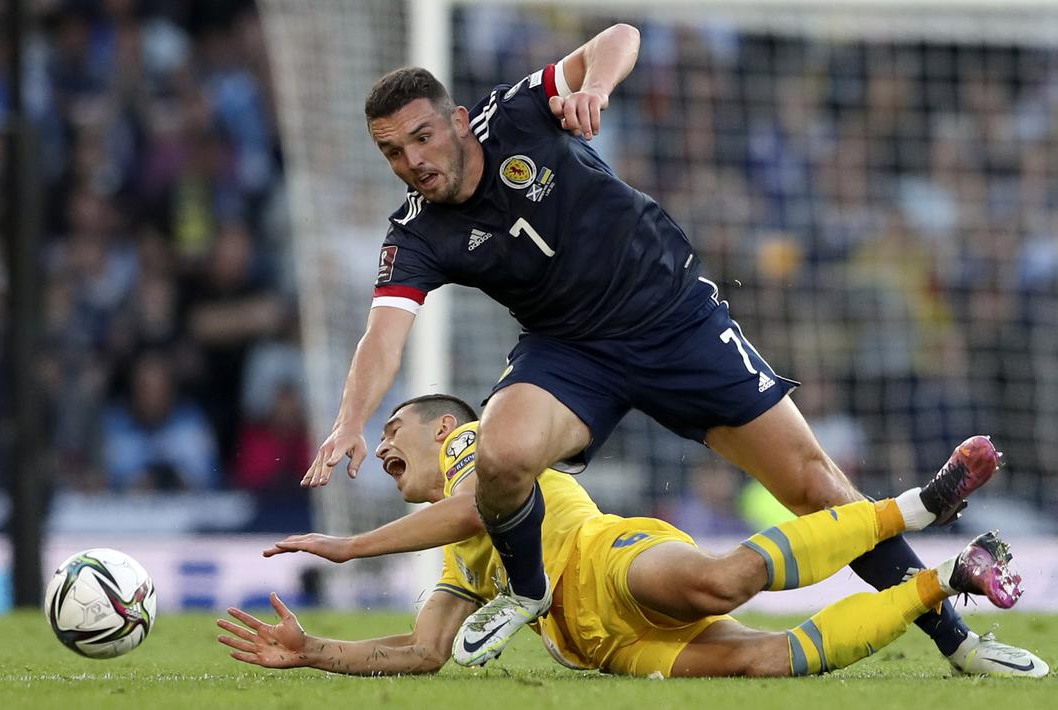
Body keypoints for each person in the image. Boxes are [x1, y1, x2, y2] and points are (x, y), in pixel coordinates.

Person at [299, 23, 1046, 674]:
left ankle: (955, 640)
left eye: (421, 137)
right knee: (499, 456)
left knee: (816, 487)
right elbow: (383, 335)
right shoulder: (416, 232)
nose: (411, 161)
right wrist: (347, 422)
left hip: (674, 319)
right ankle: (527, 591)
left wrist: (596, 85)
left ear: (457, 121)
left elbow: (618, 36)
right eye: (391, 152)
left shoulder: (514, 115)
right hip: (570, 351)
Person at [223, 395, 1031, 678]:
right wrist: (313, 651)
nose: (387, 444)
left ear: (445, 427)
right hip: (603, 649)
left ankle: (914, 509)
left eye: (396, 426)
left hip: (604, 567)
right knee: (764, 660)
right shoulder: (452, 554)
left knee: (718, 583)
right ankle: (943, 579)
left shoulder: (478, 448)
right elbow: (427, 651)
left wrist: (349, 545)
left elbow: (476, 509)